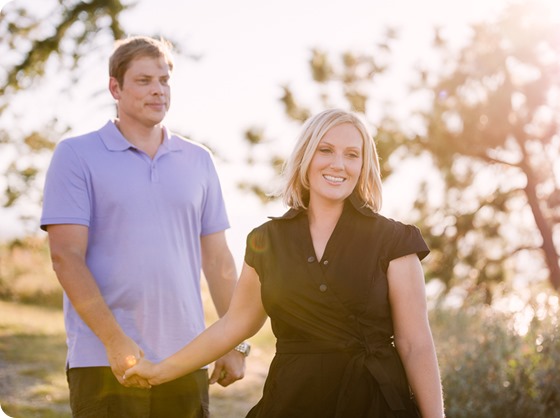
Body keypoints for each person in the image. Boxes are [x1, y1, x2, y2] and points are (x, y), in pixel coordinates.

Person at [125, 108, 446, 418]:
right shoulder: (267, 241)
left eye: (352, 154)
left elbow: (414, 344)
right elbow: (233, 326)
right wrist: (158, 371)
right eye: (326, 150)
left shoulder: (394, 240)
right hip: (292, 402)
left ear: (364, 165)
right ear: (306, 157)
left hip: (374, 405)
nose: (338, 164)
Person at [40, 35, 248, 418]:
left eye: (164, 80)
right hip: (103, 361)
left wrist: (233, 343)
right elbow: (66, 257)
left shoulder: (198, 160)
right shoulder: (76, 155)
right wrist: (115, 341)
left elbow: (218, 260)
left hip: (187, 358)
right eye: (144, 80)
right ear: (114, 87)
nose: (158, 91)